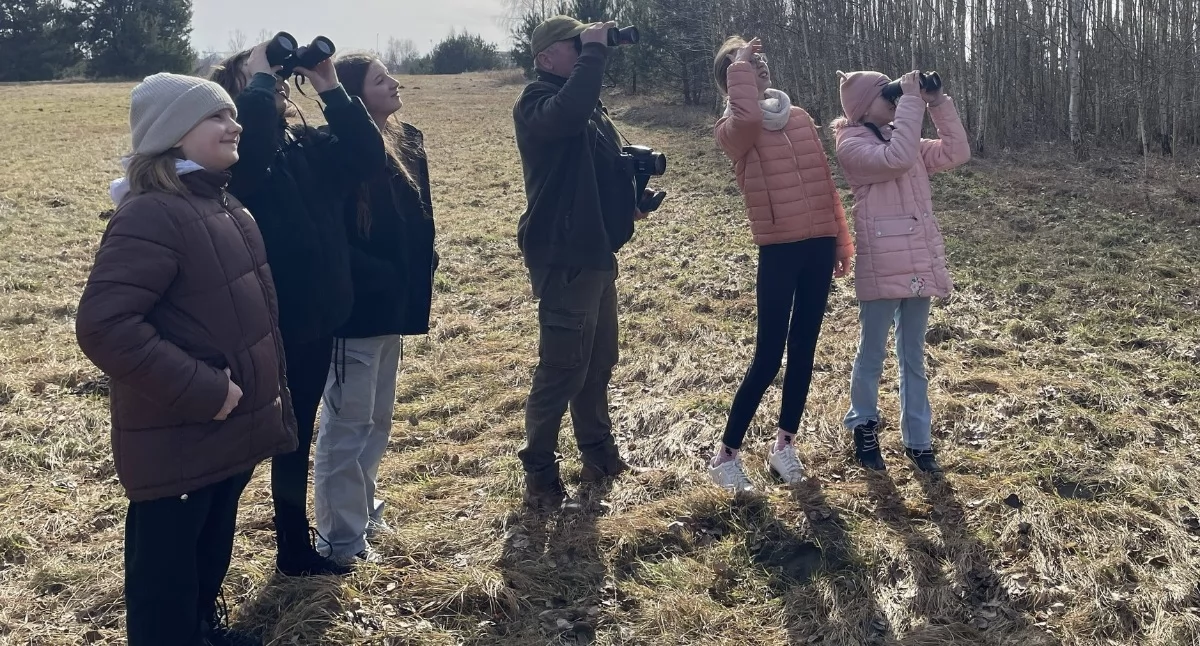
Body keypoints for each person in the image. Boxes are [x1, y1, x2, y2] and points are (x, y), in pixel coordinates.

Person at [76, 73, 296, 646]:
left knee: (206, 550)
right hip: (180, 432)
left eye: (232, 114)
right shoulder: (152, 214)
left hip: (220, 431)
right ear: (173, 132)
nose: (235, 124)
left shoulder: (219, 202)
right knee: (165, 579)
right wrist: (207, 390)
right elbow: (105, 326)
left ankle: (200, 629)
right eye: (216, 116)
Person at [210, 41, 387, 576]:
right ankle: (206, 568)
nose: (276, 85)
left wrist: (330, 86)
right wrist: (260, 79)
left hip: (315, 319)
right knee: (241, 454)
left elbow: (367, 156)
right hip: (258, 328)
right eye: (261, 81)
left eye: (277, 80)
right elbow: (251, 156)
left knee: (295, 437)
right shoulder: (235, 158)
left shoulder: (305, 144)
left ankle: (292, 546)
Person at [513, 15, 653, 510]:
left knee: (597, 363)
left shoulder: (588, 106)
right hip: (564, 253)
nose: (586, 51)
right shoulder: (536, 102)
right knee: (561, 370)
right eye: (575, 45)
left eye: (586, 45)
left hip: (595, 251)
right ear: (546, 57)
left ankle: (599, 456)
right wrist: (595, 51)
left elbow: (600, 168)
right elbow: (566, 115)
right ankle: (540, 477)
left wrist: (629, 202)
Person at [707, 37, 854, 493]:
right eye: (748, 63)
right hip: (778, 250)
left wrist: (840, 240)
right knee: (768, 357)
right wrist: (740, 65)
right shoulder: (732, 130)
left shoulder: (800, 117)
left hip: (818, 245)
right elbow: (747, 116)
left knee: (804, 350)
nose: (760, 65)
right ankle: (725, 457)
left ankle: (784, 447)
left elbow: (825, 182)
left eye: (761, 60)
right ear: (731, 78)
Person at [312, 54, 438, 565]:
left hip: (394, 307)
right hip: (356, 312)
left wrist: (416, 272)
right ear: (354, 94)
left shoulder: (409, 139)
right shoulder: (332, 149)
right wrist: (378, 276)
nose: (395, 83)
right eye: (381, 79)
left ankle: (362, 513)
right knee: (347, 427)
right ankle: (339, 540)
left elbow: (419, 219)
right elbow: (333, 237)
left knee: (377, 421)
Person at [832, 69, 971, 473]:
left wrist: (937, 102)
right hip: (882, 261)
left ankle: (918, 439)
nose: (894, 99)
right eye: (886, 94)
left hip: (916, 260)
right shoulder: (851, 143)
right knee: (872, 353)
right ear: (861, 107)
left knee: (913, 356)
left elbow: (956, 152)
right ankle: (864, 425)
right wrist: (910, 100)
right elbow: (897, 160)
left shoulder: (901, 135)